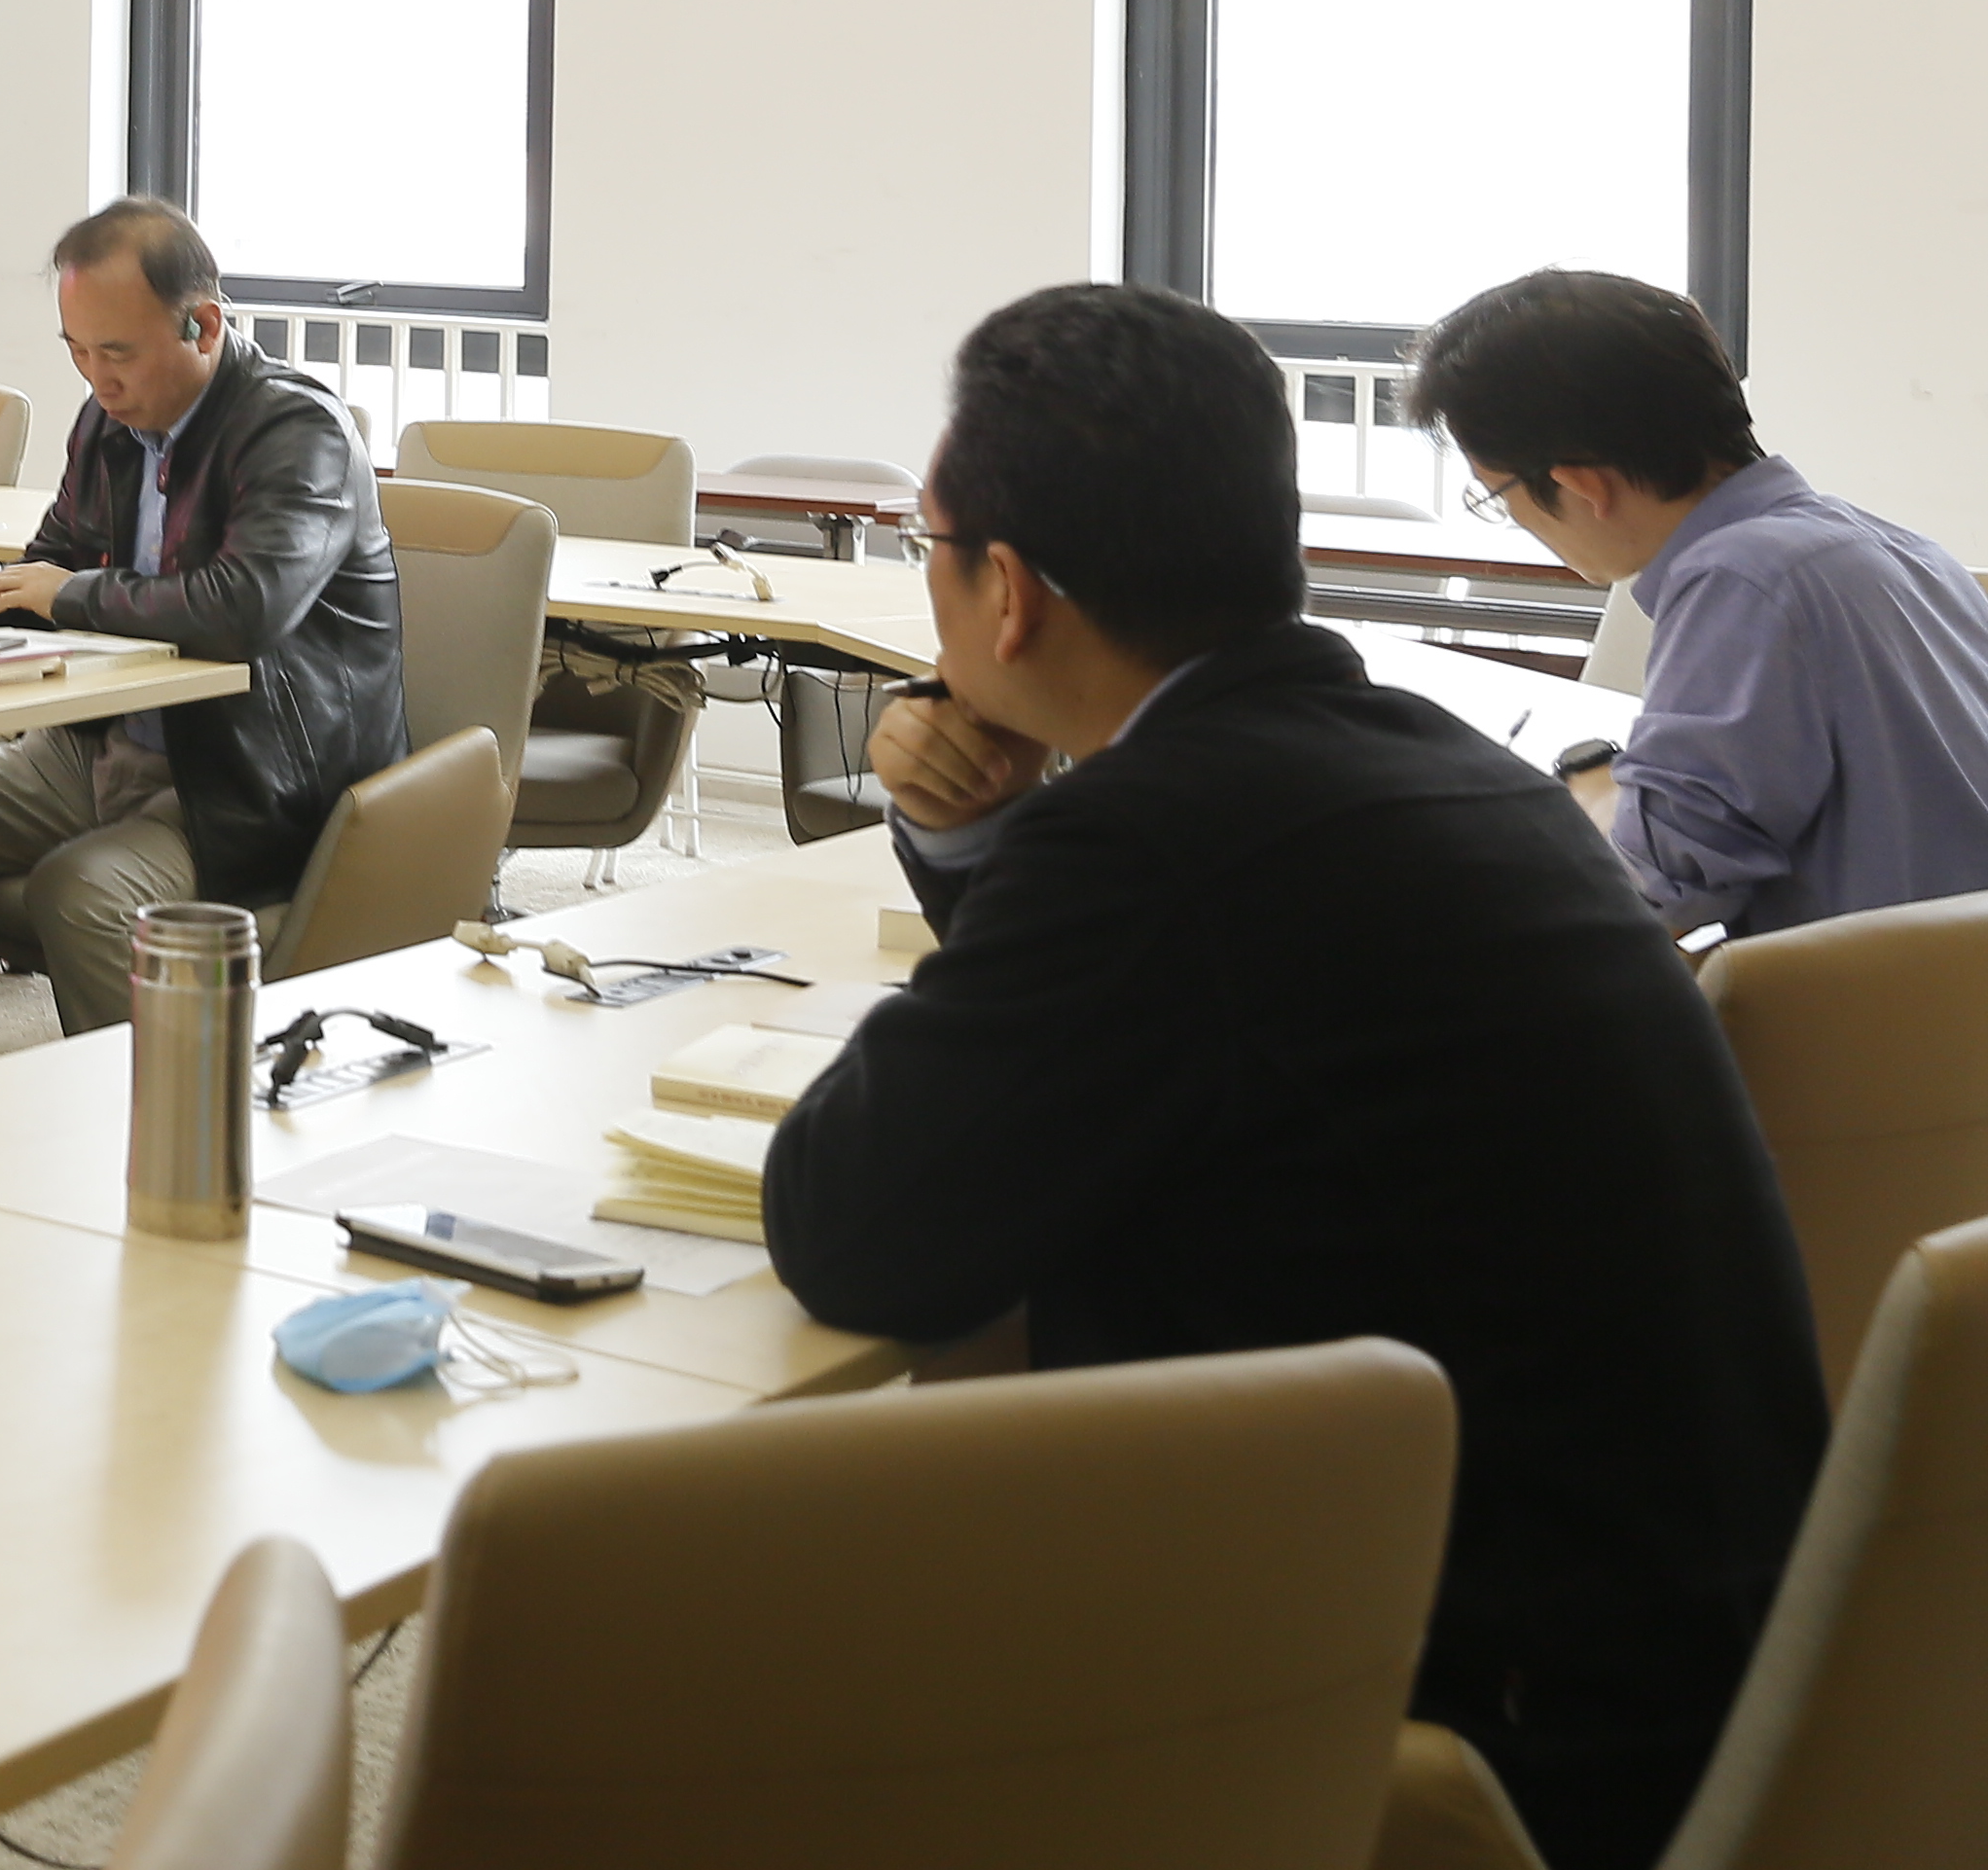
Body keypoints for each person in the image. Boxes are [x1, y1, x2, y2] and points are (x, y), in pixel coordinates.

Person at [764, 283, 1824, 1870]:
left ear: (1007, 592)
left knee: (779, 1674)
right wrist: (985, 829)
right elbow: (1124, 1033)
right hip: (1716, 1674)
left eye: (930, 544)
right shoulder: (1449, 769)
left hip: (1500, 1746)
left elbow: (857, 1228)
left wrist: (1037, 833)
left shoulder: (1156, 840)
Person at [0, 200, 400, 1036]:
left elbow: (245, 607)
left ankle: (157, 1113)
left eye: (118, 353)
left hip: (248, 775)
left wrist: (63, 592)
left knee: (84, 890)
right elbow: (52, 567)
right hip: (103, 747)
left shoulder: (296, 428)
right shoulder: (107, 424)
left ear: (203, 325)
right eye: (78, 352)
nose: (97, 379)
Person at [1407, 266, 1988, 938]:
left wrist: (1589, 785)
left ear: (1581, 485)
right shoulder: (1896, 548)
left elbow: (1653, 890)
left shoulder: (1744, 582)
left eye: (1495, 495)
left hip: (1869, 999)